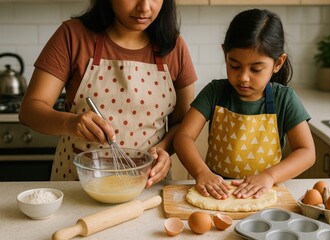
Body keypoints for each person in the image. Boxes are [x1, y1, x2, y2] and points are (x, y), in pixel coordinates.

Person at [18, 0, 197, 187]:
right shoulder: (73, 35)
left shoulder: (174, 46)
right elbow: (30, 110)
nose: (144, 7)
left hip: (146, 186)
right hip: (78, 186)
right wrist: (69, 123)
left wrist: (163, 149)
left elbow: (183, 125)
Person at [174, 9, 315, 200]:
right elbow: (183, 136)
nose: (243, 77)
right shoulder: (215, 92)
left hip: (264, 194)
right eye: (234, 66)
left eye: (256, 69)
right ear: (225, 54)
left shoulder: (285, 99)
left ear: (278, 63)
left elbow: (307, 152)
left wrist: (269, 176)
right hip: (216, 193)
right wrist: (201, 172)